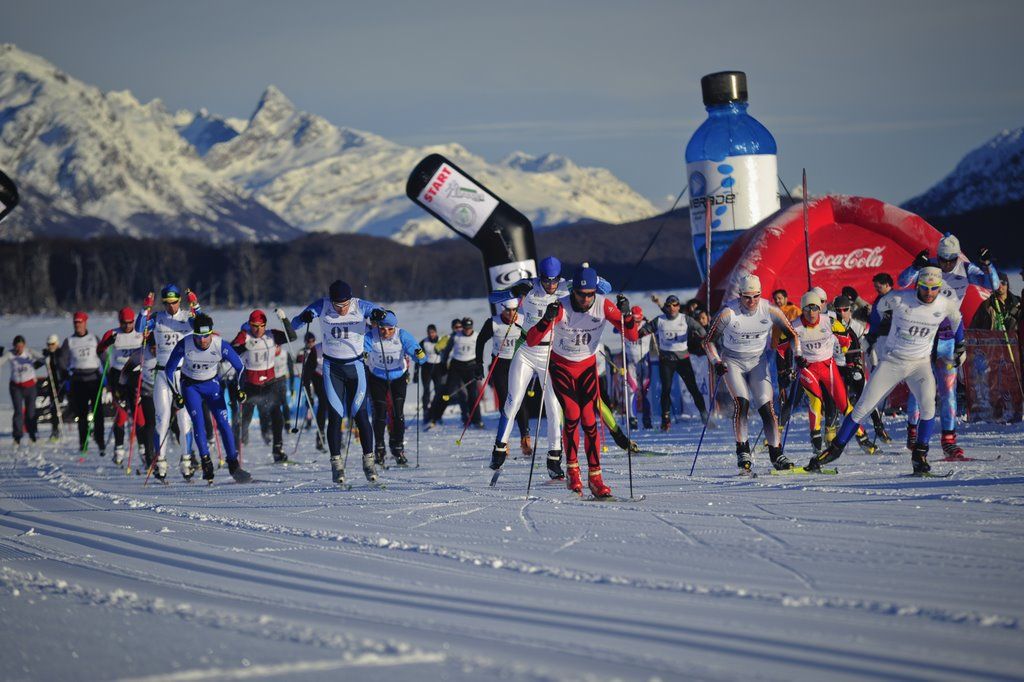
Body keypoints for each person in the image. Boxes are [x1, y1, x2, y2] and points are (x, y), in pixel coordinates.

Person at [809, 267, 962, 474]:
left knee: (928, 408)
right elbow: (879, 308)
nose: (929, 293)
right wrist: (875, 332)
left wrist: (961, 344)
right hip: (893, 362)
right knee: (863, 407)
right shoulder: (899, 298)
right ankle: (835, 450)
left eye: (934, 289)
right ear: (918, 285)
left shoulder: (945, 304)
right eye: (925, 288)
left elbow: (957, 319)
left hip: (920, 364)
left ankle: (919, 455)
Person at [487, 256, 614, 478]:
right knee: (513, 399)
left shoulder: (568, 286)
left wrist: (591, 278)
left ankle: (554, 458)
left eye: (554, 281)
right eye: (546, 281)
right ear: (541, 277)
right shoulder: (529, 285)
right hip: (527, 349)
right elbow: (493, 296)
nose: (550, 286)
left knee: (554, 406)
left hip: (553, 353)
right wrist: (514, 291)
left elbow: (606, 288)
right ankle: (499, 447)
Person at [524, 264, 638, 498]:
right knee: (573, 414)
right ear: (573, 290)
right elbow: (533, 341)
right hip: (561, 366)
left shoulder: (603, 305)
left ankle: (596, 477)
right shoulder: (561, 308)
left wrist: (627, 317)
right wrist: (547, 318)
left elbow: (632, 335)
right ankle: (572, 470)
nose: (586, 299)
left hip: (586, 366)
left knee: (589, 419)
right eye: (581, 294)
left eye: (590, 294)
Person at [899, 235, 998, 459]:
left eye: (949, 260)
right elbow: (902, 281)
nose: (945, 265)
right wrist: (915, 265)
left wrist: (988, 264)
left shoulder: (965, 268)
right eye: (942, 259)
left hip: (947, 336)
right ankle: (913, 434)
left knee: (948, 390)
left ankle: (949, 442)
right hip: (923, 335)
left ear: (957, 256)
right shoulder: (930, 265)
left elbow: (993, 285)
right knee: (919, 388)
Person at [291, 279, 386, 486]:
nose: (341, 310)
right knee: (335, 416)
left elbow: (389, 317)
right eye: (337, 306)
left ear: (350, 300)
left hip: (356, 367)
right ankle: (336, 464)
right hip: (332, 368)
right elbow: (294, 324)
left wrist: (380, 315)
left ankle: (369, 462)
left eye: (344, 306)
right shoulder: (322, 305)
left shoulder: (360, 305)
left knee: (360, 414)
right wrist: (304, 317)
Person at [703, 275, 800, 473]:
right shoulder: (728, 313)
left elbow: (792, 335)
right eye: (747, 297)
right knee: (743, 402)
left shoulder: (770, 310)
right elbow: (708, 341)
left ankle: (776, 453)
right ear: (739, 295)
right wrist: (717, 362)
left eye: (756, 296)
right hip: (732, 360)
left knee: (767, 406)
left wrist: (797, 356)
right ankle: (743, 450)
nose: (752, 301)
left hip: (758, 361)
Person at [781, 292, 877, 455]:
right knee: (816, 401)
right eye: (807, 309)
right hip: (808, 368)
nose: (811, 313)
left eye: (815, 308)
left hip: (828, 366)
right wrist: (789, 366)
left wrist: (849, 357)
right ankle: (816, 443)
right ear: (802, 309)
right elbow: (781, 348)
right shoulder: (794, 326)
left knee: (845, 405)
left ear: (820, 309)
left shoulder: (829, 321)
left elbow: (847, 338)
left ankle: (862, 438)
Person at [165, 313, 251, 484]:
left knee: (223, 423)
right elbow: (169, 369)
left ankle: (234, 464)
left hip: (212, 386)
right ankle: (206, 462)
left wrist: (240, 389)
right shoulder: (186, 344)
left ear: (212, 333)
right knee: (199, 423)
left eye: (206, 336)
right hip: (191, 387)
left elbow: (240, 368)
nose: (203, 340)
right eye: (199, 336)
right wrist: (176, 394)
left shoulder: (220, 345)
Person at [136, 285, 199, 477]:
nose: (171, 307)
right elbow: (140, 327)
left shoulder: (187, 316)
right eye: (167, 303)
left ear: (180, 300)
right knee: (162, 419)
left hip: (183, 374)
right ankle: (160, 461)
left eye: (174, 302)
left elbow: (203, 325)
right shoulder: (157, 318)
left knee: (184, 419)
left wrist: (195, 304)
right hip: (163, 373)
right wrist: (145, 308)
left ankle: (186, 461)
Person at [231, 309, 297, 464]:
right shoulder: (245, 335)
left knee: (277, 416)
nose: (258, 329)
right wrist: (240, 345)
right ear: (249, 325)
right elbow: (232, 349)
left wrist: (284, 319)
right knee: (244, 418)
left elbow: (292, 336)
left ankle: (277, 449)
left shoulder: (271, 335)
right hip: (251, 385)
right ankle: (236, 449)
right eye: (254, 326)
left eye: (261, 326)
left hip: (270, 383)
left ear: (265, 325)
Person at [365, 310, 426, 467]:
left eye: (390, 329)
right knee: (379, 413)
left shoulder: (402, 335)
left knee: (398, 414)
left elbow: (419, 354)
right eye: (383, 329)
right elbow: (360, 349)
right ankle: (379, 448)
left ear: (395, 327)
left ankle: (397, 447)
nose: (386, 332)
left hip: (398, 377)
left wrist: (418, 355)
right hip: (377, 377)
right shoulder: (371, 335)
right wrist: (361, 355)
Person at [638, 294, 709, 430]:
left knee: (693, 388)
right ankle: (666, 420)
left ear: (678, 306)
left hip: (683, 360)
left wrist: (703, 338)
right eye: (669, 305)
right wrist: (640, 333)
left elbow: (701, 329)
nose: (672, 308)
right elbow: (645, 329)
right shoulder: (660, 320)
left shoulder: (685, 319)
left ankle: (705, 416)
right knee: (666, 390)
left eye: (675, 305)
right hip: (666, 360)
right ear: (666, 307)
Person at [475, 299, 530, 454]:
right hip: (500, 365)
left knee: (521, 400)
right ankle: (504, 440)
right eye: (508, 310)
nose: (511, 314)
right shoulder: (493, 322)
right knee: (506, 401)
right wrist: (478, 364)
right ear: (502, 309)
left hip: (519, 363)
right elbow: (480, 341)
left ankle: (525, 436)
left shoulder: (524, 320)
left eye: (514, 310)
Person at [833, 295, 890, 442]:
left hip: (854, 366)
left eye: (845, 310)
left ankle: (878, 426)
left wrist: (875, 364)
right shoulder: (830, 325)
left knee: (866, 396)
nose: (842, 314)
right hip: (837, 368)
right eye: (838, 311)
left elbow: (869, 348)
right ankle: (855, 436)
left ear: (850, 310)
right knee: (842, 404)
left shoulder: (857, 327)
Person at [97, 307, 144, 465]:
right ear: (120, 322)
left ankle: (144, 449)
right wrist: (105, 344)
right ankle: (119, 449)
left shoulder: (140, 332)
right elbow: (99, 351)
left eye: (130, 322)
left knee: (139, 414)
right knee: (122, 415)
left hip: (136, 376)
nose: (127, 326)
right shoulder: (112, 334)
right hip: (118, 378)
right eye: (124, 323)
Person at [59, 311, 107, 456]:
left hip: (94, 379)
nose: (78, 325)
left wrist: (107, 372)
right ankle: (83, 443)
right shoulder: (69, 341)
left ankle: (100, 442)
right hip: (78, 381)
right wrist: (65, 373)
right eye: (75, 323)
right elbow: (62, 360)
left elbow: (103, 356)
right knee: (82, 414)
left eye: (80, 322)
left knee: (98, 413)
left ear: (85, 323)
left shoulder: (94, 338)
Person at [120, 334, 158, 469]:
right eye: (153, 348)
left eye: (158, 347)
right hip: (147, 392)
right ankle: (149, 456)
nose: (156, 351)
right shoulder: (141, 353)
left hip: (164, 391)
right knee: (150, 424)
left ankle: (189, 456)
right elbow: (125, 371)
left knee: (174, 423)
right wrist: (122, 389)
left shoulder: (166, 350)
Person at [440, 317, 484, 429]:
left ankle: (476, 420)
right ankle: (436, 417)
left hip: (471, 366)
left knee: (473, 394)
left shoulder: (477, 336)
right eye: (465, 328)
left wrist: (480, 368)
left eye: (469, 328)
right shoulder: (456, 336)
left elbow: (480, 353)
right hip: (457, 366)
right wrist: (444, 364)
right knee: (449, 391)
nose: (467, 330)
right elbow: (447, 350)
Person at [1, 335, 44, 448]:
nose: (19, 349)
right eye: (17, 347)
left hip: (30, 386)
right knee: (18, 412)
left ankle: (32, 434)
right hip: (16, 387)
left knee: (30, 412)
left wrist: (45, 358)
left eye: (21, 346)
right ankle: (17, 437)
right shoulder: (10, 354)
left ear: (24, 345)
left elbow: (42, 359)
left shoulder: (29, 352)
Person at [624, 305, 653, 430]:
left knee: (646, 391)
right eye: (634, 321)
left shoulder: (648, 324)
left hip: (644, 362)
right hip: (630, 362)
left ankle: (647, 419)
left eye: (639, 321)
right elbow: (615, 330)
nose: (637, 323)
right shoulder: (624, 324)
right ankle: (632, 419)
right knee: (631, 391)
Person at [298, 332, 327, 451]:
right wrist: (306, 386)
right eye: (308, 341)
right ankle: (320, 434)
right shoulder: (315, 350)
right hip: (317, 377)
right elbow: (307, 371)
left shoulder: (338, 349)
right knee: (322, 403)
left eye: (312, 340)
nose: (310, 343)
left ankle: (338, 435)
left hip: (332, 376)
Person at [416, 324, 444, 423]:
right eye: (429, 333)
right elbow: (418, 358)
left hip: (438, 368)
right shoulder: (423, 342)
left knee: (438, 391)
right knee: (426, 391)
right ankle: (426, 413)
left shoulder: (441, 341)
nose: (431, 334)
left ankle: (436, 414)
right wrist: (416, 373)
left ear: (436, 332)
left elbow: (447, 353)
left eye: (432, 332)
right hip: (426, 368)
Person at [40, 334, 65, 441]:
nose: (50, 346)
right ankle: (55, 431)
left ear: (57, 343)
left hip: (64, 382)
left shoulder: (61, 352)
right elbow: (36, 364)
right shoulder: (48, 355)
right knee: (54, 408)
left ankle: (88, 429)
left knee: (76, 405)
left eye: (53, 344)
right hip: (53, 383)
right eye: (49, 344)